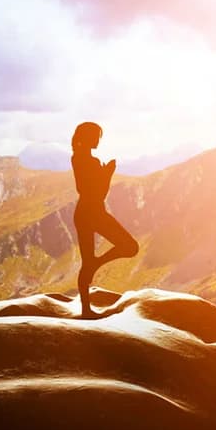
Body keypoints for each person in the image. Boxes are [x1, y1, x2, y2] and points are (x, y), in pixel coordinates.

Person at [71, 121, 138, 317]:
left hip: (84, 213)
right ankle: (96, 265)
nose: (98, 140)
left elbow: (87, 191)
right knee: (130, 247)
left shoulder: (77, 158)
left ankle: (86, 308)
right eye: (95, 137)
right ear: (87, 137)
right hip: (93, 213)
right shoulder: (89, 162)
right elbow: (98, 193)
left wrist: (103, 173)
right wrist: (107, 173)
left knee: (88, 262)